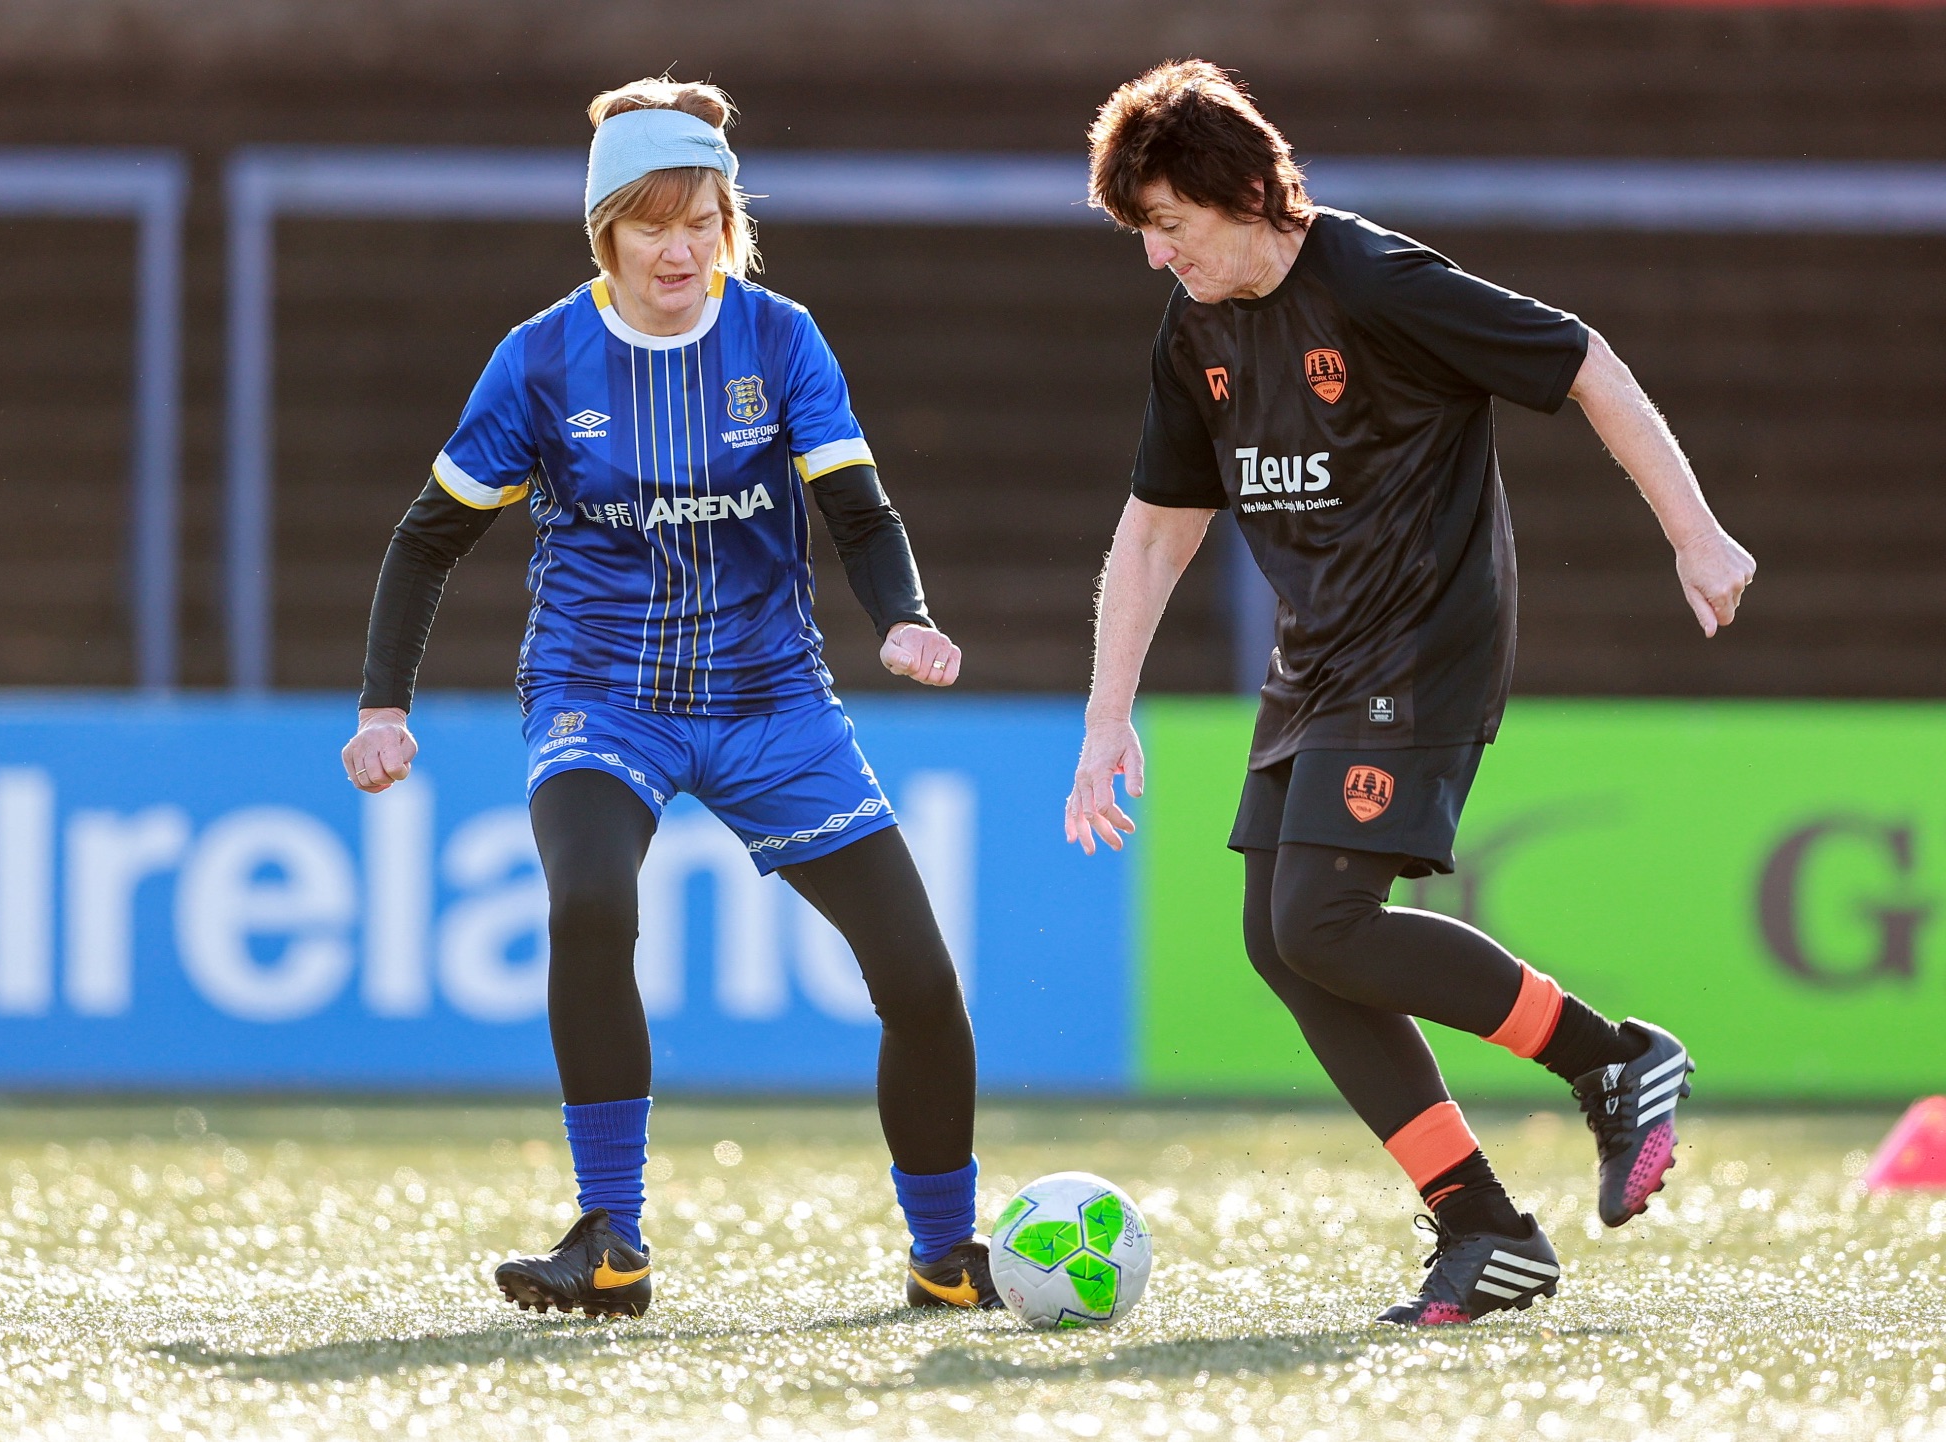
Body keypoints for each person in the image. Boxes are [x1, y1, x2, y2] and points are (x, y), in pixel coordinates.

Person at [1067, 62, 1756, 1326]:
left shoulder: (1374, 280)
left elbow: (1583, 359)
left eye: (1168, 226)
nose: (1158, 259)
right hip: (1314, 664)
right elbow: (1157, 527)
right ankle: (1484, 1228)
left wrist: (1694, 533)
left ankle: (1610, 1061)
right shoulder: (1196, 330)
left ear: (1240, 192)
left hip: (1420, 647)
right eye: (1143, 236)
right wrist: (1105, 715)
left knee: (1322, 921)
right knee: (1281, 946)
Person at [340, 77, 999, 1319]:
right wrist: (385, 704)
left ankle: (944, 1254)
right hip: (602, 694)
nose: (679, 249)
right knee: (590, 898)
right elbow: (426, 538)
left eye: (700, 219)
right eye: (650, 224)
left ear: (726, 220)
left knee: (917, 981)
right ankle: (611, 1239)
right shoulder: (539, 360)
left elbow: (855, 507)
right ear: (606, 233)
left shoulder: (778, 336)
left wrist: (903, 615)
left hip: (772, 699)